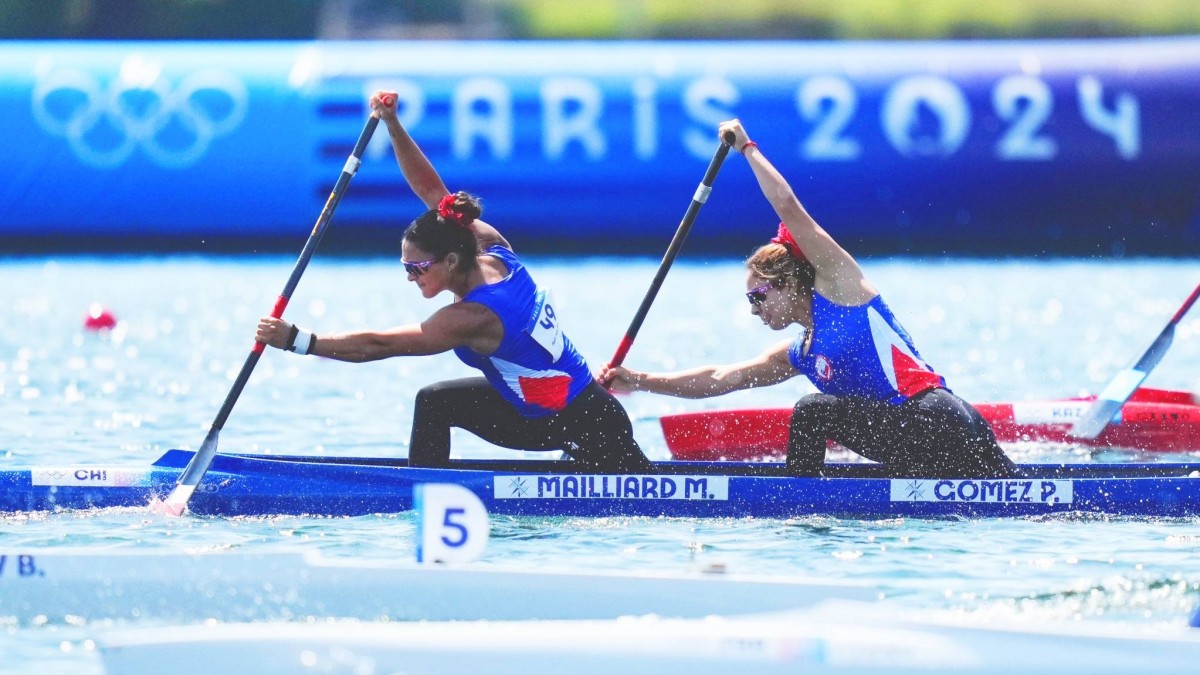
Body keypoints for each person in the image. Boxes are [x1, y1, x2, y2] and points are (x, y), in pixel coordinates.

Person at [256, 90, 653, 474]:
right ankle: (427, 485)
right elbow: (433, 192)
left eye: (417, 268)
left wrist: (297, 340)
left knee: (437, 404)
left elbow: (381, 345)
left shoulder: (473, 316)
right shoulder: (490, 247)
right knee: (434, 401)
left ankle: (423, 495)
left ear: (449, 260)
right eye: (405, 268)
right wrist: (392, 123)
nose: (411, 278)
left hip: (583, 425)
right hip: (563, 409)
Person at [599, 119, 1018, 479]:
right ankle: (814, 496)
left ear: (787, 283)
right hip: (915, 438)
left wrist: (746, 147)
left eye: (758, 297)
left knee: (813, 410)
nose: (754, 310)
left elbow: (787, 205)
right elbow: (722, 378)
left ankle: (800, 505)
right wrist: (638, 380)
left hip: (938, 421)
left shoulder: (841, 288)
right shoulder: (799, 352)